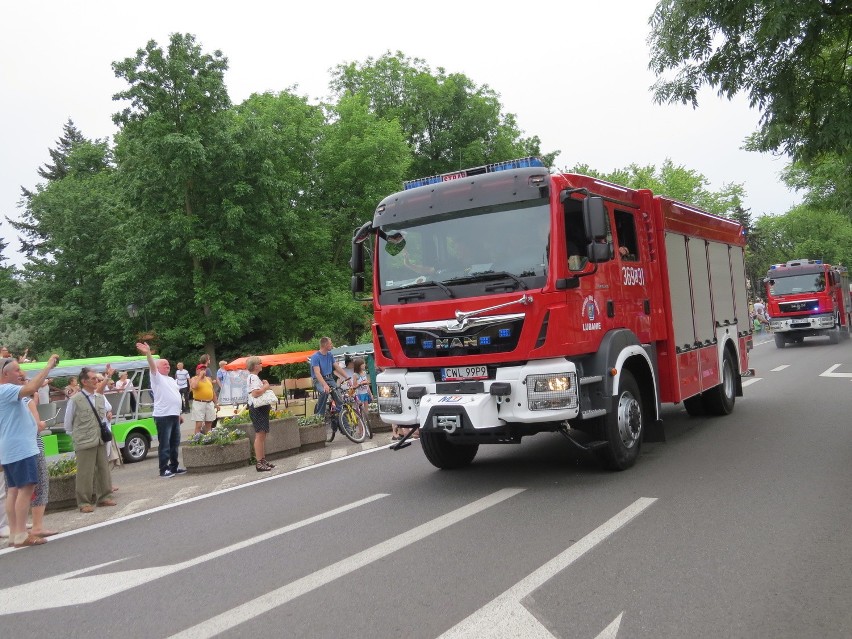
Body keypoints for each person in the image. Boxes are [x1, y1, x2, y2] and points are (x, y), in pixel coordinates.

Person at [0, 353, 58, 547]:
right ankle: (22, 534)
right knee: (26, 489)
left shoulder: (5, 391)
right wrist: (49, 365)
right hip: (21, 448)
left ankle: (15, 534)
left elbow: (31, 387)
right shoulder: (6, 389)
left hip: (10, 448)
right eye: (17, 370)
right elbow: (32, 387)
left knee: (14, 491)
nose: (21, 373)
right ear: (4, 374)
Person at [64, 366, 117, 512]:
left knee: (103, 469)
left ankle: (105, 496)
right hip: (84, 440)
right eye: (93, 378)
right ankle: (84, 502)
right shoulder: (75, 400)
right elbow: (68, 423)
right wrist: (78, 436)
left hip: (100, 439)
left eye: (96, 378)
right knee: (85, 472)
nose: (96, 381)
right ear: (84, 381)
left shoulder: (99, 398)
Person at [136, 342, 186, 478]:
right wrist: (148, 353)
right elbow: (152, 366)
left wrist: (179, 413)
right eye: (164, 364)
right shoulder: (156, 377)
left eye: (168, 364)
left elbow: (175, 397)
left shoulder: (171, 379)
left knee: (175, 443)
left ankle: (174, 466)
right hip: (163, 415)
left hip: (174, 414)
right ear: (157, 367)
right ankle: (163, 469)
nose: (167, 365)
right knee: (165, 444)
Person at [23, 387, 56, 538]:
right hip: (32, 447)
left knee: (15, 490)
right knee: (40, 485)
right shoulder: (25, 400)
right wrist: (41, 423)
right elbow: (36, 426)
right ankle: (37, 526)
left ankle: (19, 528)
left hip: (11, 451)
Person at [310, 337, 348, 442]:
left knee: (339, 400)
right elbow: (317, 373)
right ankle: (320, 414)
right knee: (324, 391)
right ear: (325, 345)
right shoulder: (315, 357)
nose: (332, 345)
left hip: (329, 378)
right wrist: (324, 385)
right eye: (330, 344)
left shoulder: (330, 355)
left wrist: (347, 377)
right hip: (319, 380)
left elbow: (337, 367)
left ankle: (346, 428)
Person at [246, 356, 274, 472]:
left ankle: (262, 459)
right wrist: (266, 387)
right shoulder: (253, 378)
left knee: (262, 434)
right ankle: (259, 461)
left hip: (260, 408)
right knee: (260, 434)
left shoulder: (253, 377)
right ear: (256, 366)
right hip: (257, 408)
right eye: (260, 363)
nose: (262, 364)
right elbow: (255, 393)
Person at [190, 363, 217, 435]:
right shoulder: (194, 379)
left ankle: (209, 438)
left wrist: (216, 403)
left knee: (209, 423)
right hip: (199, 403)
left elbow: (212, 392)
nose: (203, 371)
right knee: (199, 424)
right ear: (197, 371)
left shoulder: (208, 379)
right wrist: (199, 376)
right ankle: (197, 439)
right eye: (201, 369)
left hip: (209, 403)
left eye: (204, 369)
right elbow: (193, 386)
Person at [352, 357, 374, 439]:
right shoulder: (355, 375)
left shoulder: (364, 373)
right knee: (360, 413)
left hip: (365, 393)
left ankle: (368, 429)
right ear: (359, 365)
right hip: (359, 395)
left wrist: (370, 394)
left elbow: (367, 385)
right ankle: (361, 431)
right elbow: (354, 386)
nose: (364, 365)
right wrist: (361, 383)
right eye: (363, 364)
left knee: (366, 413)